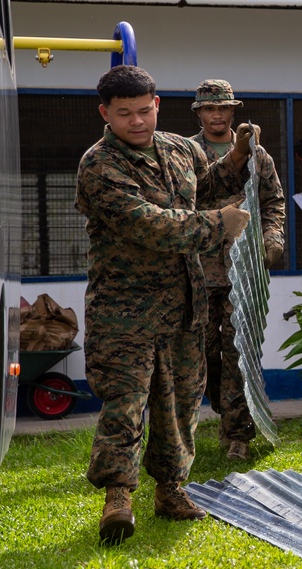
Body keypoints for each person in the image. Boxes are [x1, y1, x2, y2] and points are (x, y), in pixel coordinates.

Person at [75, 65, 256, 544]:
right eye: (125, 114)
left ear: (157, 105)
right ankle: (118, 496)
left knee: (179, 402)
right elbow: (150, 224)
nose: (137, 121)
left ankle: (171, 490)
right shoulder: (99, 165)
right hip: (124, 309)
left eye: (144, 110)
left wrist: (236, 157)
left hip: (184, 304)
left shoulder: (180, 148)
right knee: (126, 402)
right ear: (105, 114)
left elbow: (210, 185)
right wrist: (221, 225)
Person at [188, 79, 285, 461]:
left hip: (242, 271)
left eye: (223, 108)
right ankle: (223, 408)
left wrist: (273, 238)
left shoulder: (259, 155)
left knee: (239, 348)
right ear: (199, 112)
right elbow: (194, 194)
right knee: (205, 351)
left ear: (233, 111)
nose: (217, 114)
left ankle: (238, 435)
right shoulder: (187, 153)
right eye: (210, 109)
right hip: (200, 267)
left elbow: (273, 200)